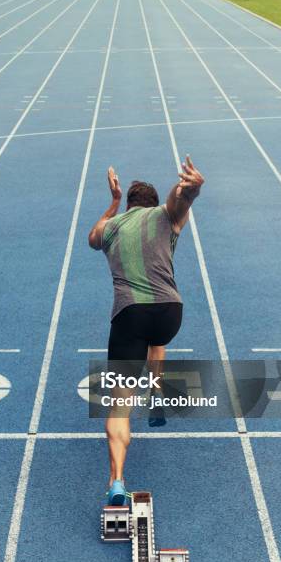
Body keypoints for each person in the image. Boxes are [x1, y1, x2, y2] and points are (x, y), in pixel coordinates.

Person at [88, 155, 204, 505]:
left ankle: (117, 481)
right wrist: (192, 188)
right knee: (157, 340)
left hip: (130, 314)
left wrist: (111, 204)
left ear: (128, 204)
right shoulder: (165, 217)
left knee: (119, 407)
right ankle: (155, 395)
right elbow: (179, 201)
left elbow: (92, 238)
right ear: (152, 205)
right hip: (170, 312)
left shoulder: (113, 226)